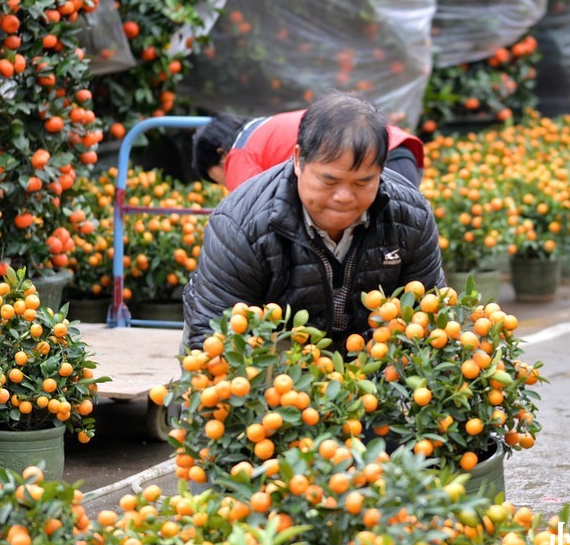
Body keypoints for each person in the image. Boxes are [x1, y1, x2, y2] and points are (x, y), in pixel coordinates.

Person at [183, 91, 444, 351]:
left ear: (381, 170)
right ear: (298, 160)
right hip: (270, 353)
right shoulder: (241, 224)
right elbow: (214, 335)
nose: (344, 197)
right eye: (329, 181)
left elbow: (429, 316)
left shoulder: (410, 215)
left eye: (363, 182)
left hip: (365, 353)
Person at [192, 107, 425, 191]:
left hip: (373, 163)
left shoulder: (240, 152)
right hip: (398, 153)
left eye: (220, 180)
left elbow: (248, 217)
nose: (228, 185)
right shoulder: (263, 129)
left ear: (221, 155)